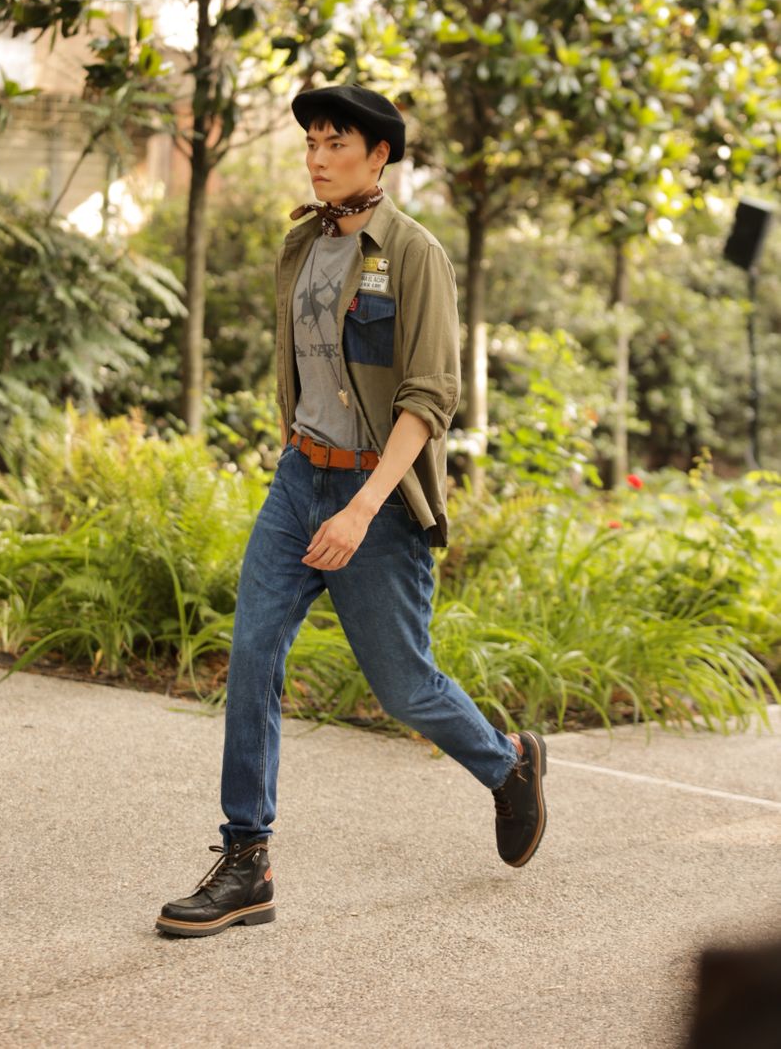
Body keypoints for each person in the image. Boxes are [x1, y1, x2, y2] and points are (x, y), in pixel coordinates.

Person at [156, 83, 547, 940]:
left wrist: (363, 508)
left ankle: (508, 763)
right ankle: (247, 859)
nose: (319, 158)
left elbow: (428, 398)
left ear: (379, 156)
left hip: (379, 496)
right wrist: (302, 469)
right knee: (252, 655)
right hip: (300, 481)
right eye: (312, 144)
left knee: (404, 686)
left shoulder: (414, 254)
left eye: (337, 144)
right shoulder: (301, 245)